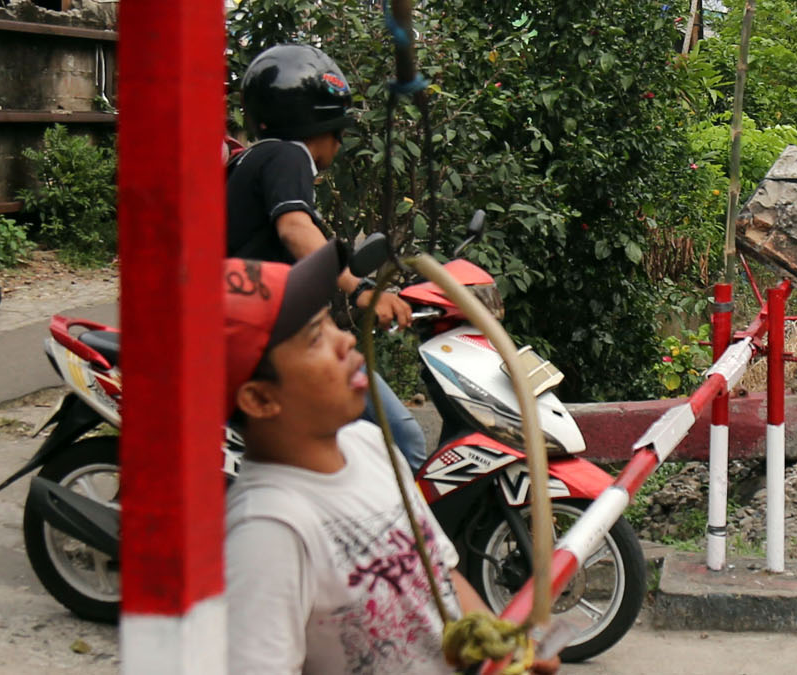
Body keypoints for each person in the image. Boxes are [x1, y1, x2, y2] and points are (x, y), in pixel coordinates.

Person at [222, 245, 557, 675]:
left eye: (330, 323)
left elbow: (442, 575)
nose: (345, 339)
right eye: (315, 337)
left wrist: (502, 652)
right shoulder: (266, 531)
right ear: (259, 398)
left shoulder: (370, 445)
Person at [229, 43, 426, 465]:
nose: (340, 142)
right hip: (281, 341)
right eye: (340, 130)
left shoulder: (252, 160)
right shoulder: (289, 155)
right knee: (404, 443)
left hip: (251, 338)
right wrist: (361, 289)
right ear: (322, 123)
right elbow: (294, 228)